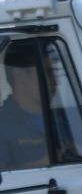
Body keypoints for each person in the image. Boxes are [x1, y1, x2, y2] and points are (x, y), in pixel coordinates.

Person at [0, 40, 51, 170]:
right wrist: (44, 163)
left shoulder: (63, 118)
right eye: (46, 73)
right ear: (20, 75)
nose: (55, 81)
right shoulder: (3, 124)